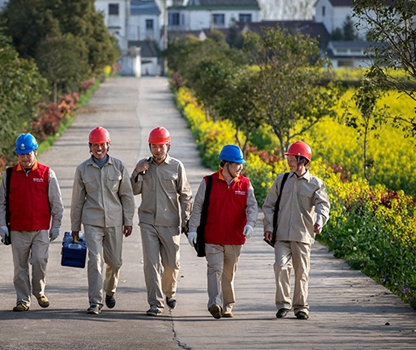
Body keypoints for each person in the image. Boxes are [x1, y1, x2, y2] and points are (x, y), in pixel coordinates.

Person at [188, 145, 258, 319]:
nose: (239, 167)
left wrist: (250, 224)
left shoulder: (245, 184)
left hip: (235, 239)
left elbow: (252, 207)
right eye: (236, 164)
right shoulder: (208, 182)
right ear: (225, 164)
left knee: (228, 274)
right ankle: (214, 303)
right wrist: (193, 230)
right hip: (213, 237)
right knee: (214, 269)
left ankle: (228, 306)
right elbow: (197, 207)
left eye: (240, 164)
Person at [0, 133, 64, 312]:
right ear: (17, 155)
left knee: (40, 261)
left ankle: (39, 291)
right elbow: (1, 202)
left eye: (28, 154)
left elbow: (56, 202)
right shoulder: (9, 174)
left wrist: (56, 225)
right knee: (20, 268)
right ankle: (22, 300)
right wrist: (1, 225)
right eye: (21, 154)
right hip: (17, 229)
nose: (25, 158)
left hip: (40, 229)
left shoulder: (47, 173)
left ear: (35, 152)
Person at [71, 126, 136, 315]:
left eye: (102, 145)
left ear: (108, 145)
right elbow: (76, 201)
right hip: (92, 221)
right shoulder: (82, 169)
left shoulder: (119, 166)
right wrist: (75, 226)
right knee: (95, 260)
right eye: (95, 145)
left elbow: (127, 196)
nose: (99, 149)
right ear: (89, 146)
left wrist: (128, 220)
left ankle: (110, 290)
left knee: (115, 262)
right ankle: (95, 302)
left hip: (115, 221)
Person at [262, 141, 330, 320]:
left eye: (292, 159)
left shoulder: (315, 183)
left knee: (302, 273)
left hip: (303, 235)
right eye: (289, 159)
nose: (289, 162)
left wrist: (320, 221)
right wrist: (268, 226)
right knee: (280, 267)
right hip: (281, 235)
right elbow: (269, 205)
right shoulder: (281, 180)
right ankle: (283, 304)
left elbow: (323, 205)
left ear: (303, 161)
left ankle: (301, 307)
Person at [130, 126, 193, 317]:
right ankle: (155, 303)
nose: (158, 150)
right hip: (148, 222)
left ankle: (169, 292)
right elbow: (132, 190)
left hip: (171, 222)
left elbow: (186, 194)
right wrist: (137, 172)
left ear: (168, 146)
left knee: (172, 264)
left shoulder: (177, 166)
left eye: (161, 146)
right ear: (149, 146)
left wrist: (185, 219)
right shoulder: (144, 166)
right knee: (151, 263)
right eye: (154, 146)